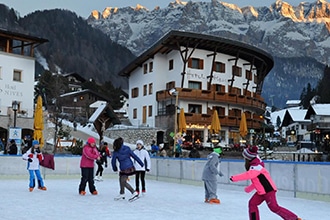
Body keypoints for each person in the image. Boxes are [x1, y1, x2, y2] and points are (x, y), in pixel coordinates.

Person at [230, 146, 301, 220]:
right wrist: (249, 189)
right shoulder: (254, 165)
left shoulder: (256, 167)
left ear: (248, 158)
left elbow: (249, 175)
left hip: (268, 190)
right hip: (261, 192)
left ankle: (294, 218)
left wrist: (234, 178)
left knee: (274, 207)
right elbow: (257, 181)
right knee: (252, 203)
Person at [111, 137, 144, 201]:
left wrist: (114, 168)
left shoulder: (116, 151)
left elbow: (113, 161)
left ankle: (134, 192)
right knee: (121, 179)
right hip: (130, 167)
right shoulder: (127, 148)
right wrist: (141, 163)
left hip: (124, 168)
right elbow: (134, 156)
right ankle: (122, 193)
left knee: (123, 181)